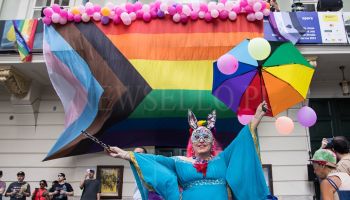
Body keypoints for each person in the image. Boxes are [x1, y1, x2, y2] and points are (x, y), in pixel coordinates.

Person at [107, 102, 269, 200]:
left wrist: (256, 117)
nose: (201, 140)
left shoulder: (223, 159)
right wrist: (126, 154)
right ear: (191, 141)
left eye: (206, 136)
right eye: (197, 137)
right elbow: (154, 161)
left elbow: (241, 142)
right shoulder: (179, 162)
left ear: (212, 141)